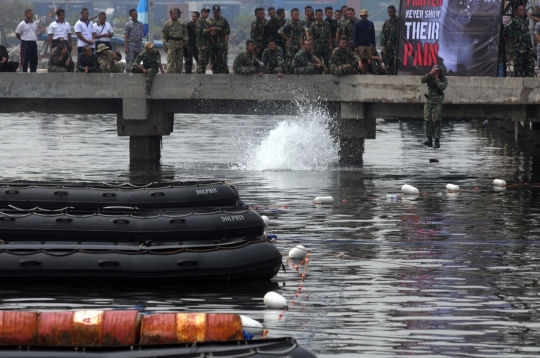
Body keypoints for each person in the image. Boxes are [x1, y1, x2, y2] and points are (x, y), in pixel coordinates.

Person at [421, 65, 448, 148]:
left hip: (437, 102)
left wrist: (437, 79)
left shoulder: (443, 79)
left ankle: (437, 141)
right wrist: (430, 73)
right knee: (427, 120)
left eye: (435, 70)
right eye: (433, 69)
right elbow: (422, 80)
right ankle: (429, 140)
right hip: (429, 101)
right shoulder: (429, 77)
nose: (433, 71)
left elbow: (442, 87)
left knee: (436, 121)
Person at [504, 5, 535, 77]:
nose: (522, 11)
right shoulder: (514, 20)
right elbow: (506, 28)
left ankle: (529, 81)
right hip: (519, 48)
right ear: (516, 11)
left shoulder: (523, 20)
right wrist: (514, 37)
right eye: (520, 10)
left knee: (529, 65)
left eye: (523, 10)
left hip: (527, 48)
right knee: (519, 67)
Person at [278, 8, 304, 74]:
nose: (297, 16)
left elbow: (301, 34)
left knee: (298, 61)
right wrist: (287, 39)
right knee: (289, 61)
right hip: (291, 46)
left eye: (298, 14)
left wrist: (301, 45)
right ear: (291, 15)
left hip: (298, 45)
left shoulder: (299, 23)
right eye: (295, 14)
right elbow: (280, 31)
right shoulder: (288, 23)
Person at [162, 8, 188, 74]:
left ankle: (178, 74)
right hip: (171, 43)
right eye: (174, 14)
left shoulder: (181, 22)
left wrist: (185, 41)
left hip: (180, 43)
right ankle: (170, 75)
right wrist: (164, 45)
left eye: (176, 14)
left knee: (179, 61)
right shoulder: (167, 23)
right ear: (170, 15)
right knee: (170, 60)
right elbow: (164, 35)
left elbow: (185, 32)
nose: (175, 15)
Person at [209, 5, 231, 74]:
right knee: (213, 62)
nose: (216, 13)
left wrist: (221, 30)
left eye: (217, 12)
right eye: (215, 12)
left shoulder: (223, 20)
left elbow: (228, 31)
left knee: (223, 62)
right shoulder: (209, 21)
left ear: (219, 12)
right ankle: (215, 76)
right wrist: (211, 33)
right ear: (212, 12)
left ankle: (225, 77)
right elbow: (205, 31)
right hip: (212, 45)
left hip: (221, 44)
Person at [124, 9, 145, 73]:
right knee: (130, 61)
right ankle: (128, 74)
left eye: (136, 14)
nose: (136, 15)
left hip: (139, 45)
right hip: (131, 45)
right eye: (134, 14)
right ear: (131, 15)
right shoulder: (128, 24)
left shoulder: (140, 24)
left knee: (137, 61)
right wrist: (126, 47)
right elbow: (126, 36)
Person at [380, 5, 398, 75]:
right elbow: (383, 34)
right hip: (388, 46)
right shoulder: (386, 22)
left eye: (391, 12)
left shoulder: (399, 21)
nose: (390, 13)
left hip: (396, 46)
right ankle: (389, 72)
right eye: (389, 12)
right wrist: (383, 45)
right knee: (387, 60)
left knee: (395, 61)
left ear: (395, 11)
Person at [196, 8, 212, 74]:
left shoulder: (207, 21)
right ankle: (199, 75)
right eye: (205, 12)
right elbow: (200, 31)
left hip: (207, 44)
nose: (207, 14)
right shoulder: (199, 21)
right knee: (201, 61)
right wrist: (210, 29)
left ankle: (202, 74)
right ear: (202, 13)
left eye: (207, 13)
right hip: (201, 44)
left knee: (206, 61)